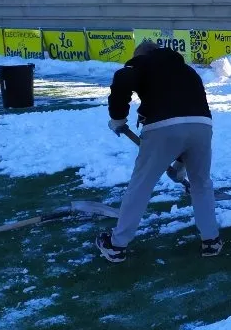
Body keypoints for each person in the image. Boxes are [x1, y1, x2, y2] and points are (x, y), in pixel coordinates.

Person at [95, 39, 222, 262]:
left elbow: (122, 79)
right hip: (202, 125)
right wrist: (180, 166)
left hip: (162, 127)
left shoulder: (141, 64)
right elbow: (185, 118)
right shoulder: (187, 71)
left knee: (141, 184)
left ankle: (117, 245)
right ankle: (211, 240)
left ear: (140, 55)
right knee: (201, 183)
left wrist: (117, 118)